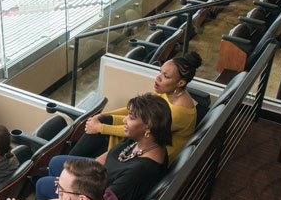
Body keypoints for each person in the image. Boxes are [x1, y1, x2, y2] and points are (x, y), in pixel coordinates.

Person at [40, 93, 171, 200]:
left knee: (43, 184)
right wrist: (75, 177)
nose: (124, 120)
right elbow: (108, 156)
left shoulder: (139, 171)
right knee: (56, 162)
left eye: (131, 117)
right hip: (96, 179)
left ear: (148, 127)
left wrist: (71, 187)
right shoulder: (142, 139)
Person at [72, 52, 203, 162]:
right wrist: (104, 116)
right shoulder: (167, 93)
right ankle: (69, 165)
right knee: (102, 123)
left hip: (153, 155)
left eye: (166, 76)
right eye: (160, 72)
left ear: (180, 83)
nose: (158, 78)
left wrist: (100, 128)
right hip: (143, 140)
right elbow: (136, 112)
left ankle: (68, 165)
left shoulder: (178, 112)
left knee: (99, 131)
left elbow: (139, 129)